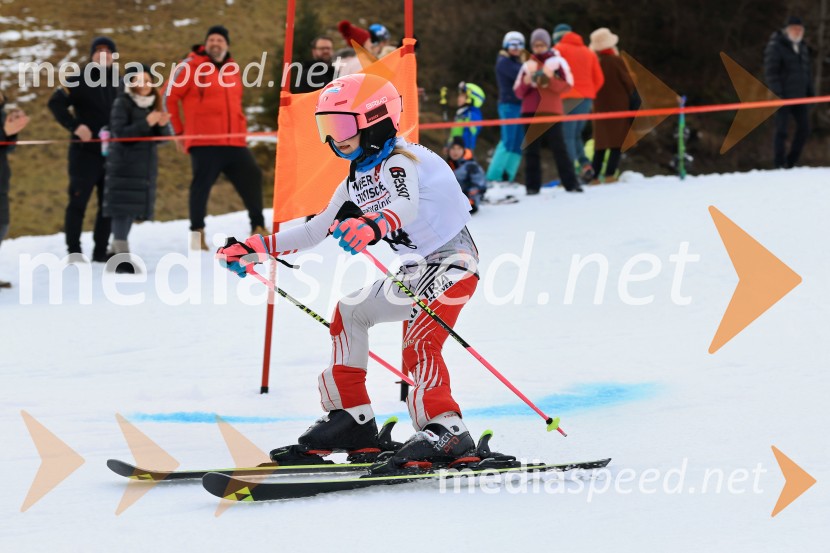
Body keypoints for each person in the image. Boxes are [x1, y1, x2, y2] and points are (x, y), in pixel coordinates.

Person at [217, 74, 481, 468]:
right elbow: (313, 230)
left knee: (420, 336)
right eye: (327, 127)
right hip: (416, 270)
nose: (332, 138)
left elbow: (405, 206)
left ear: (375, 121)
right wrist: (256, 247)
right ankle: (352, 419)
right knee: (350, 311)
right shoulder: (355, 179)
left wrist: (373, 226)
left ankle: (448, 430)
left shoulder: (400, 160)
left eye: (341, 125)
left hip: (453, 264)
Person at [166, 25, 268, 251]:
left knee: (252, 175)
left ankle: (258, 226)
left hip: (234, 140)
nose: (215, 43)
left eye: (220, 40)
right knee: (201, 186)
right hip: (204, 142)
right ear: (205, 43)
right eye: (211, 39)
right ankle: (197, 236)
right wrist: (178, 132)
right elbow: (169, 97)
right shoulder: (189, 66)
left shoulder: (233, 68)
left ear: (227, 45)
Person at [48, 36, 121, 260]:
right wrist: (75, 125)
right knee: (78, 202)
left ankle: (100, 252)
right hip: (84, 154)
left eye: (108, 51)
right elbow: (55, 102)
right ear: (91, 55)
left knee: (107, 206)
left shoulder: (122, 81)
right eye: (98, 51)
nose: (103, 54)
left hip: (112, 154)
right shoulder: (79, 79)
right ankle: (74, 251)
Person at [103, 65, 172, 274]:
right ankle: (121, 258)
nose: (144, 85)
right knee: (122, 211)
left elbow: (160, 140)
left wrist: (161, 124)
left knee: (129, 210)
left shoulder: (152, 104)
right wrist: (146, 122)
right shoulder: (121, 103)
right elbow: (121, 134)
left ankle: (114, 250)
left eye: (147, 80)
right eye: (139, 80)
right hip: (123, 165)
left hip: (143, 167)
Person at [513, 28, 581, 194]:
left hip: (551, 111)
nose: (538, 48)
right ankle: (532, 187)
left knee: (559, 148)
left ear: (548, 44)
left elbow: (567, 85)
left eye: (542, 45)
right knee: (531, 151)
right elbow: (518, 92)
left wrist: (548, 81)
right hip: (530, 111)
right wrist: (527, 82)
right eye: (535, 45)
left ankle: (571, 184)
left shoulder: (557, 61)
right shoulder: (527, 64)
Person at [764, 16, 814, 169]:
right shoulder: (776, 46)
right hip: (782, 97)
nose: (798, 32)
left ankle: (791, 162)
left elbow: (806, 73)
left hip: (801, 97)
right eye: (794, 29)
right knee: (781, 130)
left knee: (804, 129)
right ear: (787, 30)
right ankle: (779, 163)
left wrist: (810, 93)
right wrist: (777, 93)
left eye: (800, 29)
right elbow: (771, 72)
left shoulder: (803, 48)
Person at [555, 29, 605, 182]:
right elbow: (599, 79)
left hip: (567, 97)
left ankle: (569, 175)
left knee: (567, 136)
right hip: (586, 99)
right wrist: (588, 92)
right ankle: (584, 164)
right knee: (576, 134)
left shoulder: (558, 49)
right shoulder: (589, 52)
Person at [589, 27, 635, 184]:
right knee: (617, 142)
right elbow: (629, 83)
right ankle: (609, 174)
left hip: (599, 108)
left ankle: (594, 177)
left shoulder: (594, 62)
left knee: (600, 143)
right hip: (618, 107)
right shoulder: (616, 61)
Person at [486, 31, 526, 184]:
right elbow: (521, 76)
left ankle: (508, 176)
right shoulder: (504, 62)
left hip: (519, 105)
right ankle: (493, 177)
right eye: (512, 44)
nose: (516, 48)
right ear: (506, 45)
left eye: (519, 45)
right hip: (509, 105)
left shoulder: (518, 62)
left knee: (518, 143)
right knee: (508, 140)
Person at [0, 92, 30, 289]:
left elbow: (7, 149)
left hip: (1, 179)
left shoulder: (2, 115)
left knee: (2, 224)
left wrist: (11, 132)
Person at [447, 136, 486, 213]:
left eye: (459, 148)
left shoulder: (471, 166)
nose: (456, 152)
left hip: (468, 204)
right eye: (453, 148)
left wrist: (470, 199)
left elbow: (480, 185)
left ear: (463, 150)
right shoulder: (444, 165)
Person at [449, 81, 485, 152]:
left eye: (462, 96)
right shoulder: (461, 113)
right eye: (459, 95)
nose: (459, 98)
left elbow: (470, 134)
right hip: (455, 151)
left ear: (472, 99)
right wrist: (449, 145)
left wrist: (465, 150)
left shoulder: (472, 114)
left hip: (464, 151)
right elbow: (455, 133)